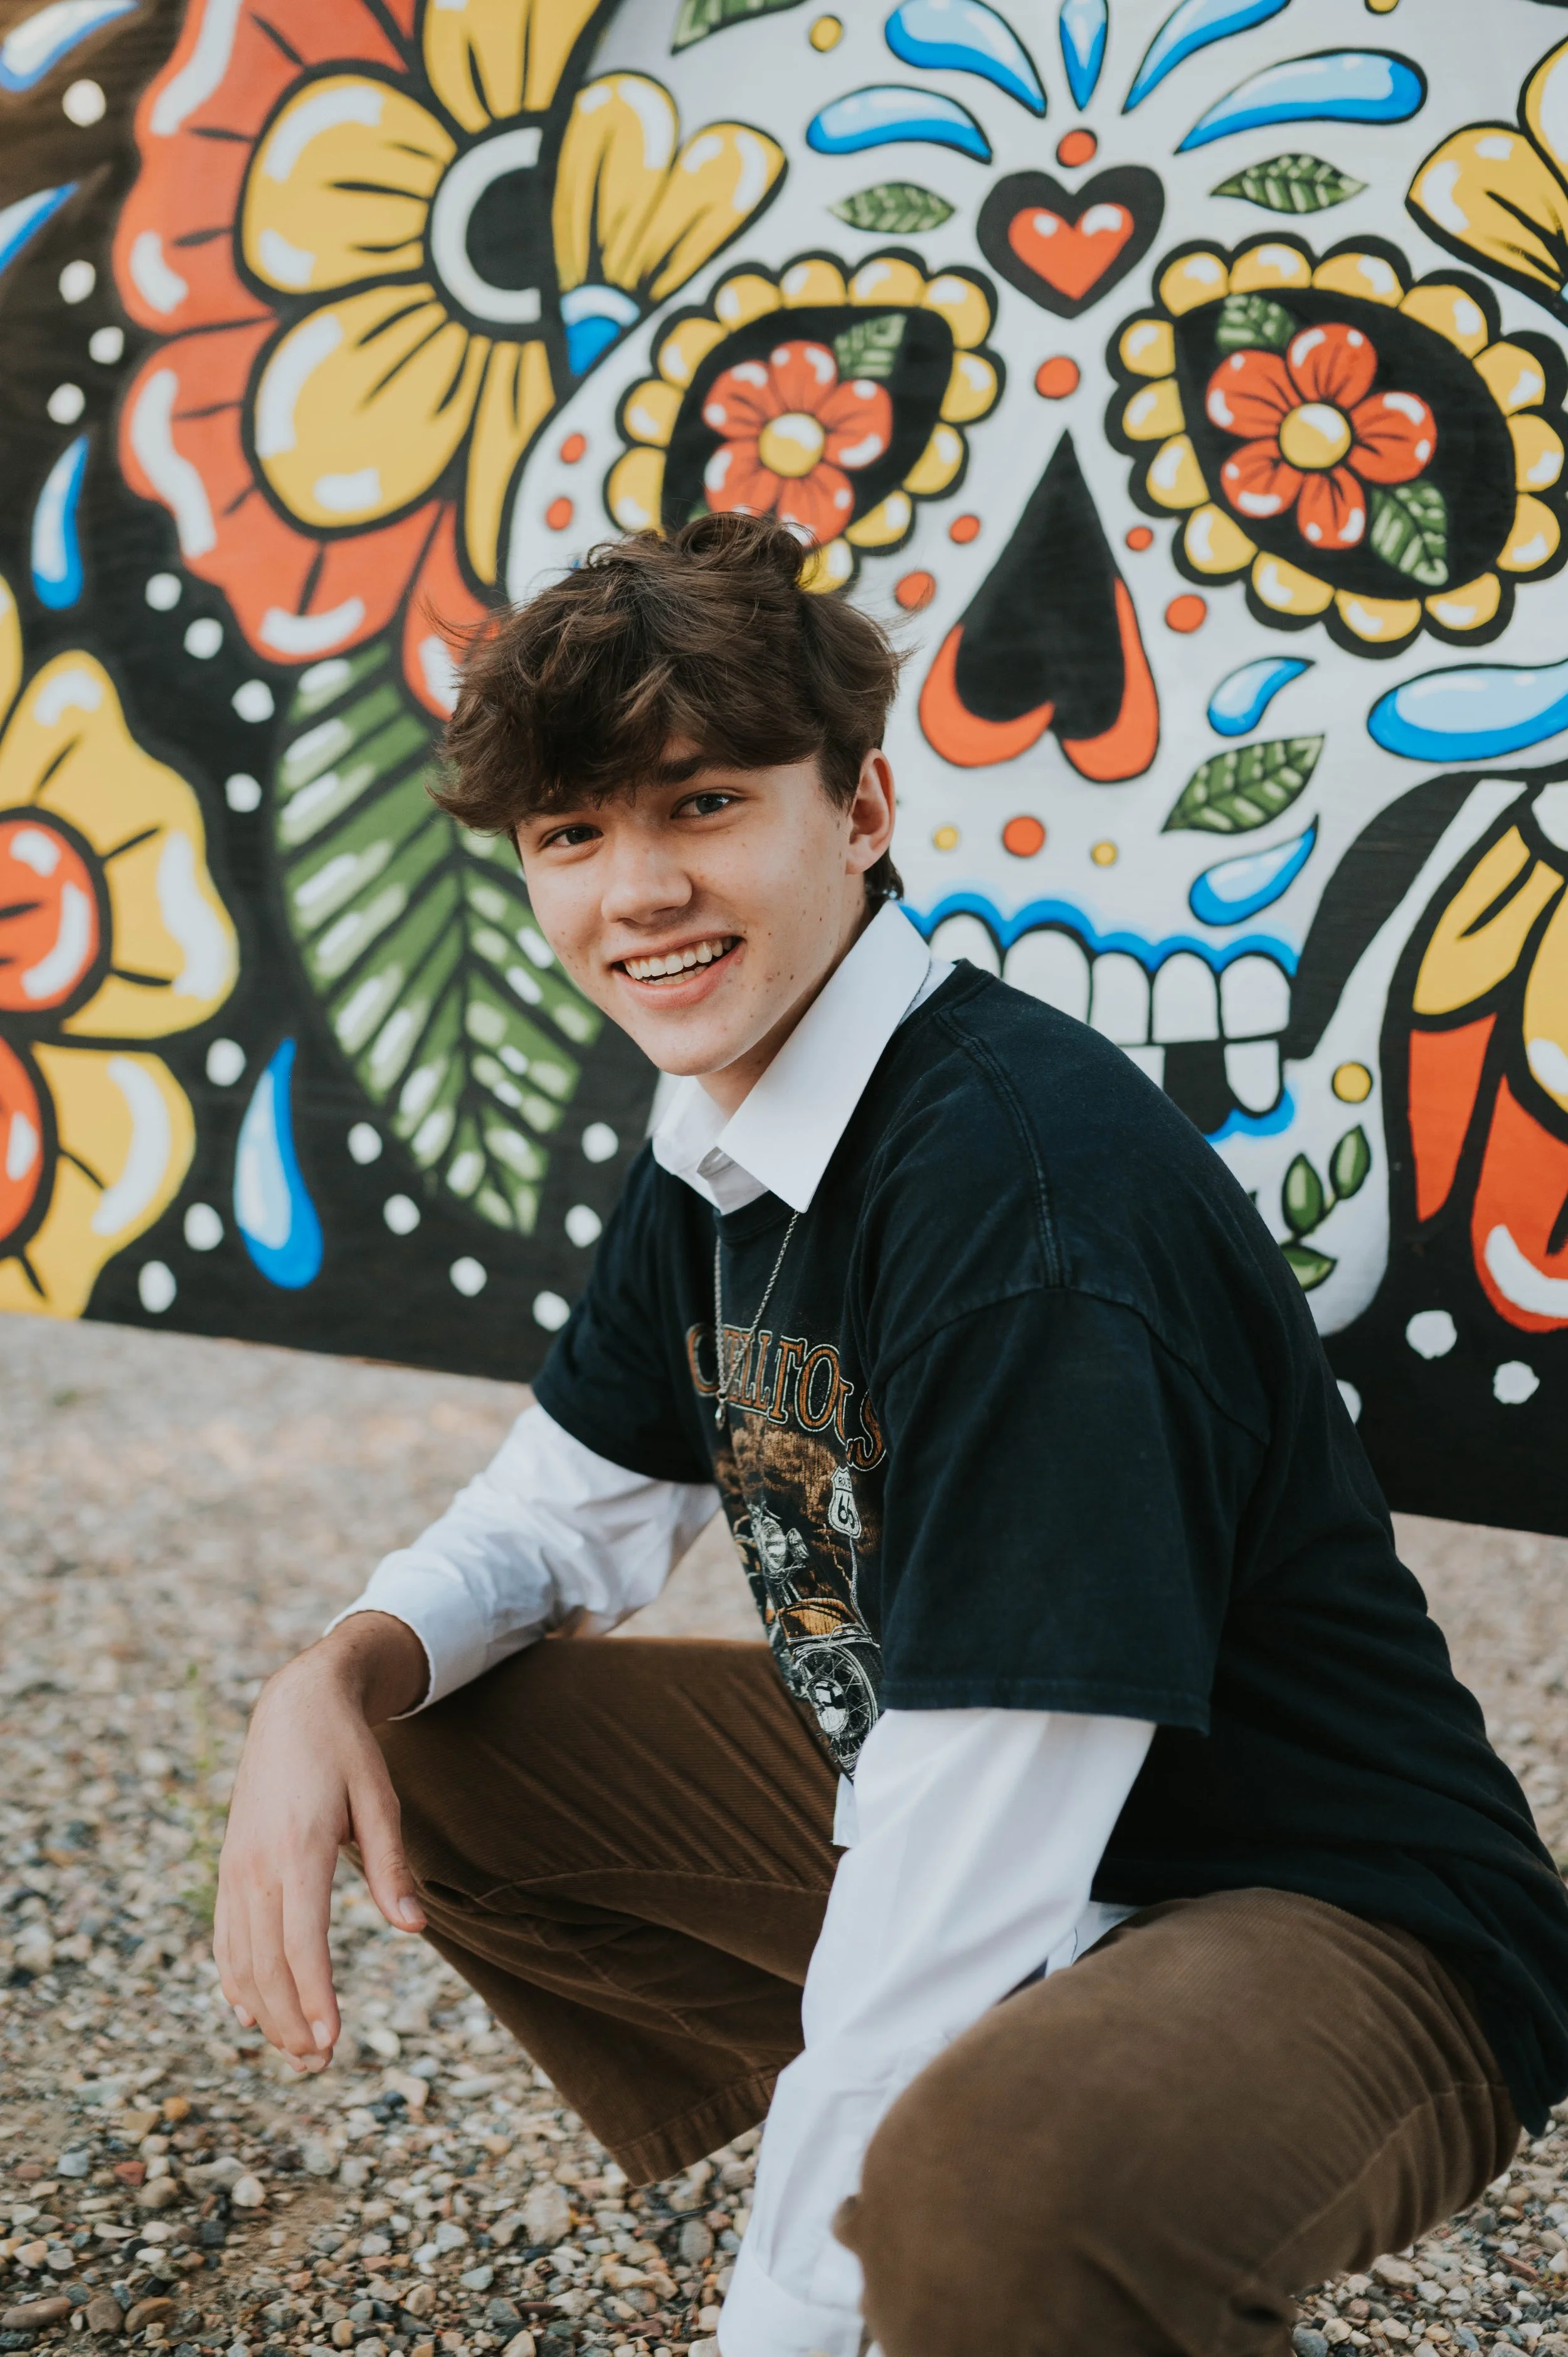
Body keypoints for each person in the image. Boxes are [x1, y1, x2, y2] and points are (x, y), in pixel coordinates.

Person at [215, 514, 1568, 2357]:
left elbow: (986, 1795)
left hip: (1323, 1902)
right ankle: (1030, 2134)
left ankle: (1051, 2177)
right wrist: (334, 1671)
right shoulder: (725, 1128)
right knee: (425, 1738)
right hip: (1000, 1823)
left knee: (982, 2194)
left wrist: (787, 2302)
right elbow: (564, 1507)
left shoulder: (1020, 1202)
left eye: (697, 806)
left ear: (859, 809)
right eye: (570, 835)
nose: (633, 894)